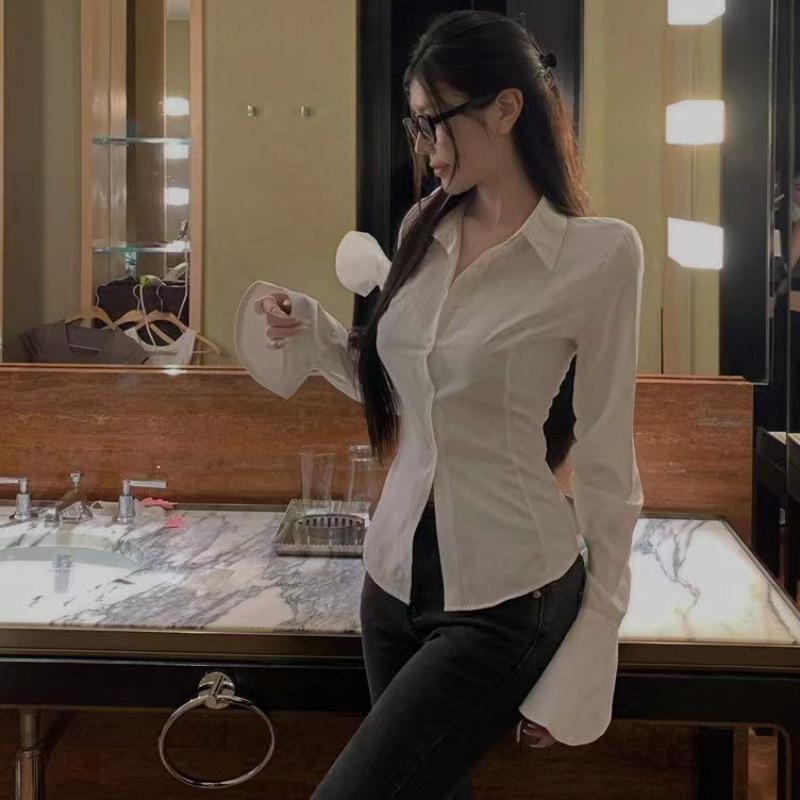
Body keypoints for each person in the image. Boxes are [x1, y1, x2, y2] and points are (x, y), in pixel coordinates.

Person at [234, 9, 644, 799]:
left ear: (507, 107)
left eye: (436, 121)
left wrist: (596, 640)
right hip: (389, 583)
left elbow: (605, 457)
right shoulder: (425, 224)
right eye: (415, 125)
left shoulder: (598, 257)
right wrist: (316, 332)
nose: (425, 147)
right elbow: (411, 392)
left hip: (509, 596)